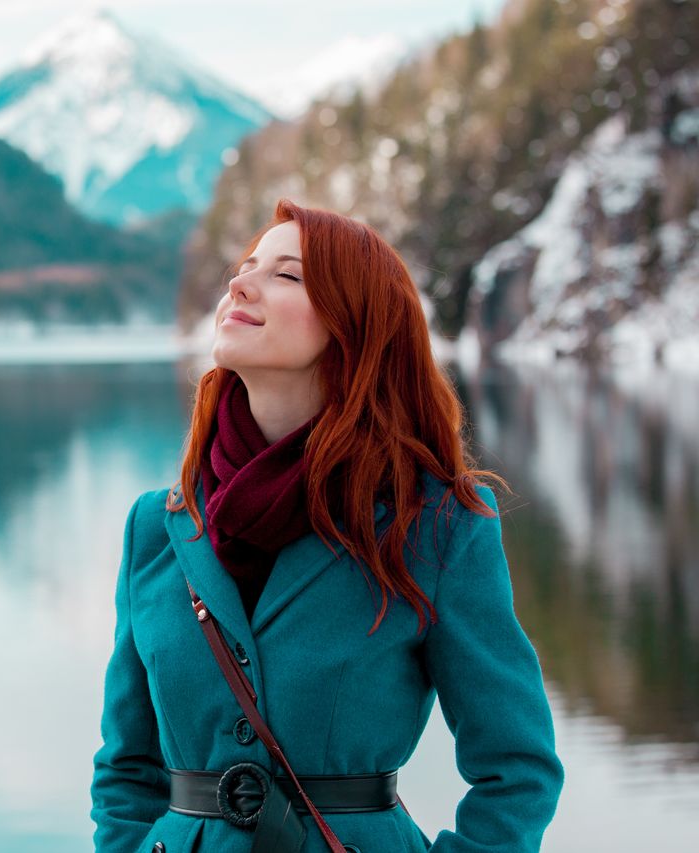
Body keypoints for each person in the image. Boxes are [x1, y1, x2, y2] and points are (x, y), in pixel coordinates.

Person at [89, 199, 563, 853]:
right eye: (246, 266)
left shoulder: (439, 525)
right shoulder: (156, 525)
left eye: (286, 275)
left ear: (355, 327)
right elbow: (125, 766)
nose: (239, 284)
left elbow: (518, 768)